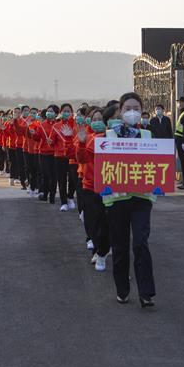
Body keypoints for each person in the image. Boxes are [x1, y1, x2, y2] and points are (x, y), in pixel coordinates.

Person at [102, 94, 158, 308]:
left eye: (136, 108)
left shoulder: (147, 135)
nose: (132, 112)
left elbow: (156, 163)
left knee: (141, 243)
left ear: (142, 110)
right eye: (127, 108)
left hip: (142, 198)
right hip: (117, 199)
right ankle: (122, 289)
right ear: (120, 112)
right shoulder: (108, 136)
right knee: (120, 246)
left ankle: (146, 292)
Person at [76, 107, 111, 272]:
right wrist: (81, 143)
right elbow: (81, 158)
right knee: (92, 221)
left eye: (101, 119)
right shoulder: (87, 138)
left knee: (105, 222)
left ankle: (102, 250)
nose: (98, 122)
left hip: (108, 186)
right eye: (94, 119)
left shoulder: (113, 139)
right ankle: (98, 249)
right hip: (89, 184)